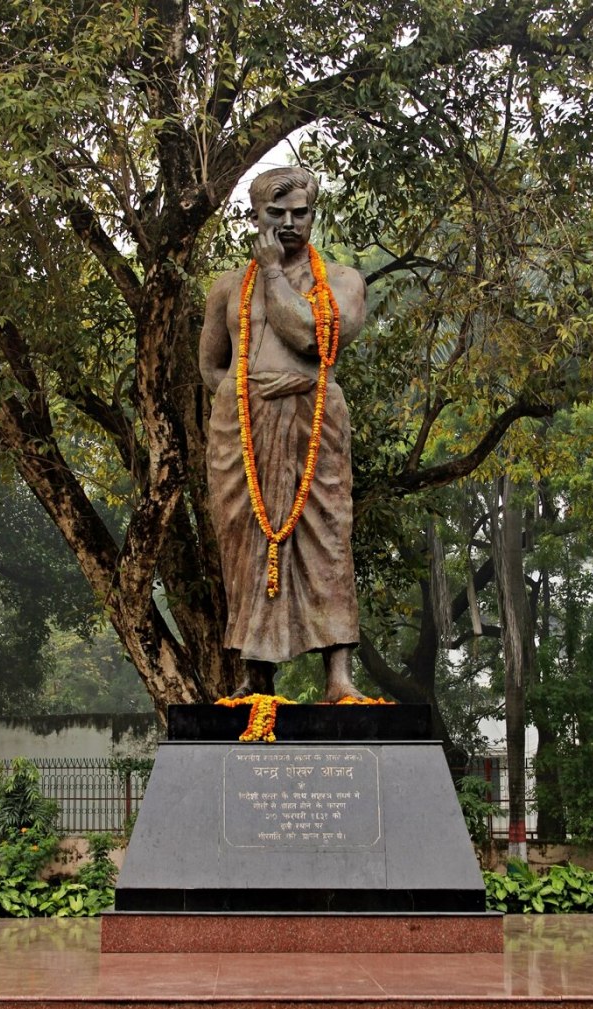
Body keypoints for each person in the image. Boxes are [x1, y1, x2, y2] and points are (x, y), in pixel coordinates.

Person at [199, 167, 367, 701]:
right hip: (243, 433)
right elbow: (211, 365)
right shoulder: (227, 286)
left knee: (326, 540)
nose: (290, 223)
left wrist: (272, 274)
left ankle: (338, 678)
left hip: (313, 424)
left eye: (301, 213)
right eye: (277, 214)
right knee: (246, 545)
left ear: (314, 215)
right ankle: (256, 677)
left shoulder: (340, 281)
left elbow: (315, 338)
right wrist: (242, 399)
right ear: (256, 216)